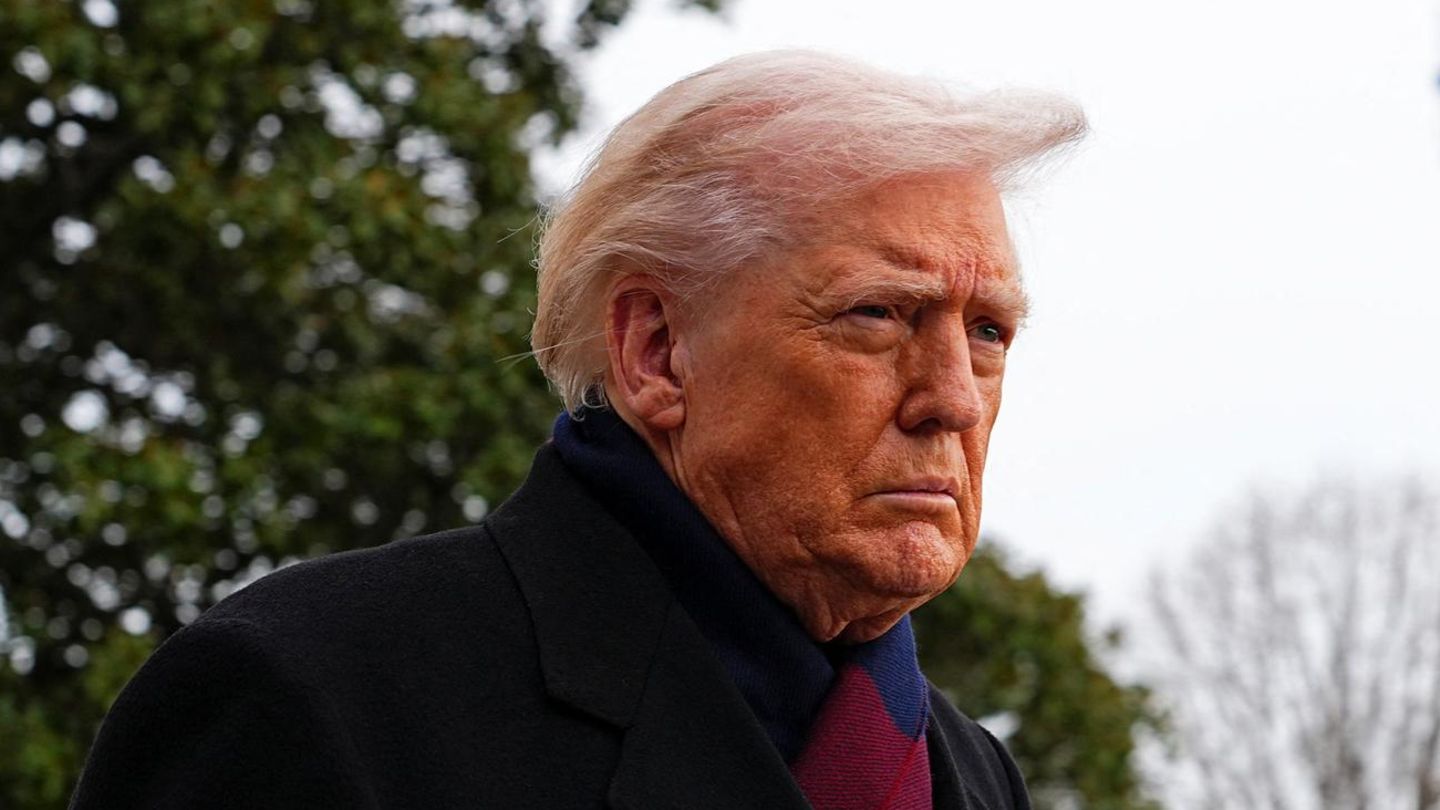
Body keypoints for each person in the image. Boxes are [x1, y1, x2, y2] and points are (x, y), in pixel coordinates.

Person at [70, 51, 1085, 809]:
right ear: (655, 350)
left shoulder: (973, 774)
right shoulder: (313, 695)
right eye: (879, 314)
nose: (952, 397)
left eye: (988, 331)